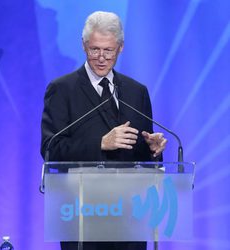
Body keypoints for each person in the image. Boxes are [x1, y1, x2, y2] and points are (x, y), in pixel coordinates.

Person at [41, 11, 167, 250]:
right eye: (94, 49)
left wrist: (153, 150)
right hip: (81, 213)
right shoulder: (62, 89)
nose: (101, 57)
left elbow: (142, 157)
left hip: (130, 215)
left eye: (108, 50)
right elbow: (50, 149)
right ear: (83, 46)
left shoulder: (135, 92)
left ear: (120, 47)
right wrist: (100, 143)